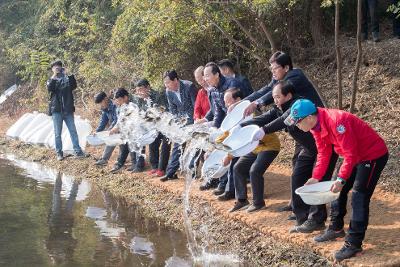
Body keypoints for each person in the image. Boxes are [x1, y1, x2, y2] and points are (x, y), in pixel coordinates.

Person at [286, 99, 388, 261]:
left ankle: (353, 244)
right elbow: (323, 153)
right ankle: (335, 228)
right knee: (334, 188)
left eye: (298, 123)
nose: (297, 126)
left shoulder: (337, 121)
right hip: (353, 155)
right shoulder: (315, 126)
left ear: (309, 118)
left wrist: (341, 179)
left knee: (359, 197)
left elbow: (351, 154)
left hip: (371, 155)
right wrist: (316, 177)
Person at [237, 51, 326, 213]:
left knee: (313, 169)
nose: (273, 72)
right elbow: (267, 92)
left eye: (275, 68)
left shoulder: (294, 77)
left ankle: (313, 210)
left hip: (315, 128)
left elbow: (283, 115)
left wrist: (259, 108)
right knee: (298, 166)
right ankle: (297, 204)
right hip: (301, 131)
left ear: (286, 67)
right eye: (271, 68)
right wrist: (244, 104)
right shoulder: (280, 86)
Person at [248, 81, 338, 232]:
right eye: (273, 97)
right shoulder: (280, 107)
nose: (275, 100)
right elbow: (266, 117)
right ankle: (301, 217)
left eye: (277, 97)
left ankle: (317, 219)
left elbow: (284, 119)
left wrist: (264, 130)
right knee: (297, 177)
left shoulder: (298, 105)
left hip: (325, 149)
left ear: (288, 95)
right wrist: (239, 127)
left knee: (318, 182)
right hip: (308, 148)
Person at [160, 70, 197, 182]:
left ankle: (192, 171)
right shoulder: (168, 92)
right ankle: (170, 173)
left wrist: (191, 122)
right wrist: (178, 123)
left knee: (194, 145)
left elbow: (196, 105)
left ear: (176, 80)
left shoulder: (189, 86)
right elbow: (173, 110)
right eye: (165, 83)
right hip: (181, 122)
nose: (166, 85)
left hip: (194, 120)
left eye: (168, 82)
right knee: (177, 143)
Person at [46, 60, 86, 161]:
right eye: (55, 67)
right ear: (52, 69)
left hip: (68, 110)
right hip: (57, 111)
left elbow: (74, 86)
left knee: (73, 131)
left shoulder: (67, 79)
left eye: (59, 66)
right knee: (57, 133)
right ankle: (59, 153)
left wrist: (68, 74)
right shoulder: (51, 80)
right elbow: (50, 88)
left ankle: (78, 151)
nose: (58, 68)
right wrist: (54, 76)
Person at [132, 79, 171, 176]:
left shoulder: (158, 96)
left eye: (141, 89)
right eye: (137, 90)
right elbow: (140, 112)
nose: (139, 92)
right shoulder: (140, 99)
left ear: (148, 87)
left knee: (164, 145)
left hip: (165, 123)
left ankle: (162, 168)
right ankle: (155, 166)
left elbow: (162, 110)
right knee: (152, 143)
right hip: (152, 125)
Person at [203, 62, 252, 128]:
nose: (205, 79)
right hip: (229, 120)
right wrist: (215, 127)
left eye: (207, 76)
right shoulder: (213, 90)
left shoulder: (233, 83)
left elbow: (241, 105)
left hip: (244, 118)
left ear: (217, 75)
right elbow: (219, 111)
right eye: (204, 76)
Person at [109, 88, 138, 173]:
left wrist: (117, 128)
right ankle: (120, 163)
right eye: (118, 101)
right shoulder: (122, 106)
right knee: (122, 141)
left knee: (129, 139)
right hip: (126, 130)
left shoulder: (133, 105)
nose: (119, 102)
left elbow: (129, 120)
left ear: (125, 97)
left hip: (136, 130)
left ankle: (134, 163)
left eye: (120, 100)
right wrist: (114, 129)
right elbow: (120, 120)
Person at [93, 91, 118, 166]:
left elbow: (116, 120)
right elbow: (103, 121)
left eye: (101, 102)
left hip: (122, 126)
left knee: (111, 137)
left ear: (105, 99)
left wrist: (110, 130)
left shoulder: (115, 105)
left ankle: (104, 159)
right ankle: (104, 158)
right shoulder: (104, 108)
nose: (100, 105)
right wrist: (97, 131)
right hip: (115, 127)